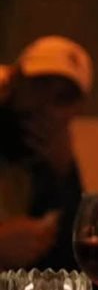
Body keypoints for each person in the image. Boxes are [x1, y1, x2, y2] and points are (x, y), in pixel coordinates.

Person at [0, 35, 92, 271]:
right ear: (14, 84)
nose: (47, 106)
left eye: (62, 98)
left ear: (77, 110)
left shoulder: (50, 162)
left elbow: (76, 266)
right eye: (40, 86)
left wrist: (64, 173)